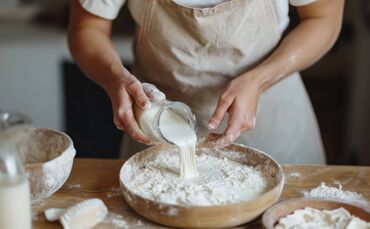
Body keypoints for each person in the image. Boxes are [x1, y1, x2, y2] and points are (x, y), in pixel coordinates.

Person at [68, 0, 344, 163]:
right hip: (158, 125)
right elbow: (87, 27)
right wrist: (114, 76)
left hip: (272, 123)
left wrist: (261, 79)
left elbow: (324, 18)